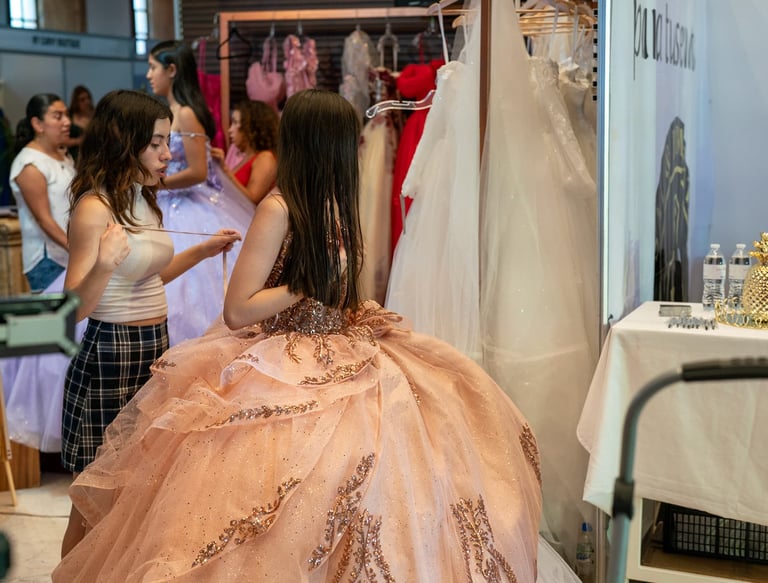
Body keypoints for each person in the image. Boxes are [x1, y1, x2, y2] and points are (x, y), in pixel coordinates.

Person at [52, 89, 541, 581]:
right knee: (116, 480)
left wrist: (336, 300)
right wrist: (308, 286)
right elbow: (239, 310)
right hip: (152, 348)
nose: (359, 153)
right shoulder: (277, 209)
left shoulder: (326, 204)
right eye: (157, 143)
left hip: (314, 346)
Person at [57, 89, 240, 557]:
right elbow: (70, 311)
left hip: (153, 348)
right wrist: (103, 265)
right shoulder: (95, 207)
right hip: (110, 354)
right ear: (125, 142)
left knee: (135, 493)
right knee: (93, 502)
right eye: (156, 143)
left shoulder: (142, 197)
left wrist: (202, 251)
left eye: (167, 142)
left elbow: (149, 277)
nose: (167, 155)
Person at [147, 39, 256, 345]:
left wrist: (156, 184)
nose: (149, 75)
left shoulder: (185, 113)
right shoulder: (170, 111)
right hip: (167, 201)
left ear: (172, 70)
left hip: (186, 203)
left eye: (153, 67)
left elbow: (197, 172)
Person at [10, 93, 74, 292]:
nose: (67, 122)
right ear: (38, 124)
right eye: (58, 116)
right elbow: (44, 219)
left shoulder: (64, 156)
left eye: (66, 115)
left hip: (69, 254)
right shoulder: (30, 163)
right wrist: (77, 249)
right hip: (49, 260)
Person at [211, 99, 278, 206]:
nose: (230, 130)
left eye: (235, 123)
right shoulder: (249, 157)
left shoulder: (266, 157)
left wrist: (225, 170)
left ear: (251, 127)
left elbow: (252, 200)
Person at [65, 85, 95, 160]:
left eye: (88, 98)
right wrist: (78, 141)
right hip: (74, 156)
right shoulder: (69, 117)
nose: (87, 102)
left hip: (92, 155)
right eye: (82, 100)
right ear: (76, 102)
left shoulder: (95, 115)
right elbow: (61, 141)